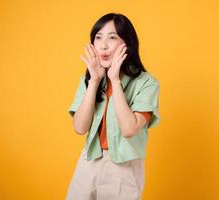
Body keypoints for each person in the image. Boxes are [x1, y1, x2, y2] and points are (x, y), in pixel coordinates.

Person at [66, 13, 160, 200]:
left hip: (124, 167)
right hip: (89, 159)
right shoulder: (89, 79)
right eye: (98, 38)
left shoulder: (146, 83)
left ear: (127, 44)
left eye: (112, 37)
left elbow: (128, 128)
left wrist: (115, 81)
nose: (103, 45)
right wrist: (94, 81)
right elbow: (79, 127)